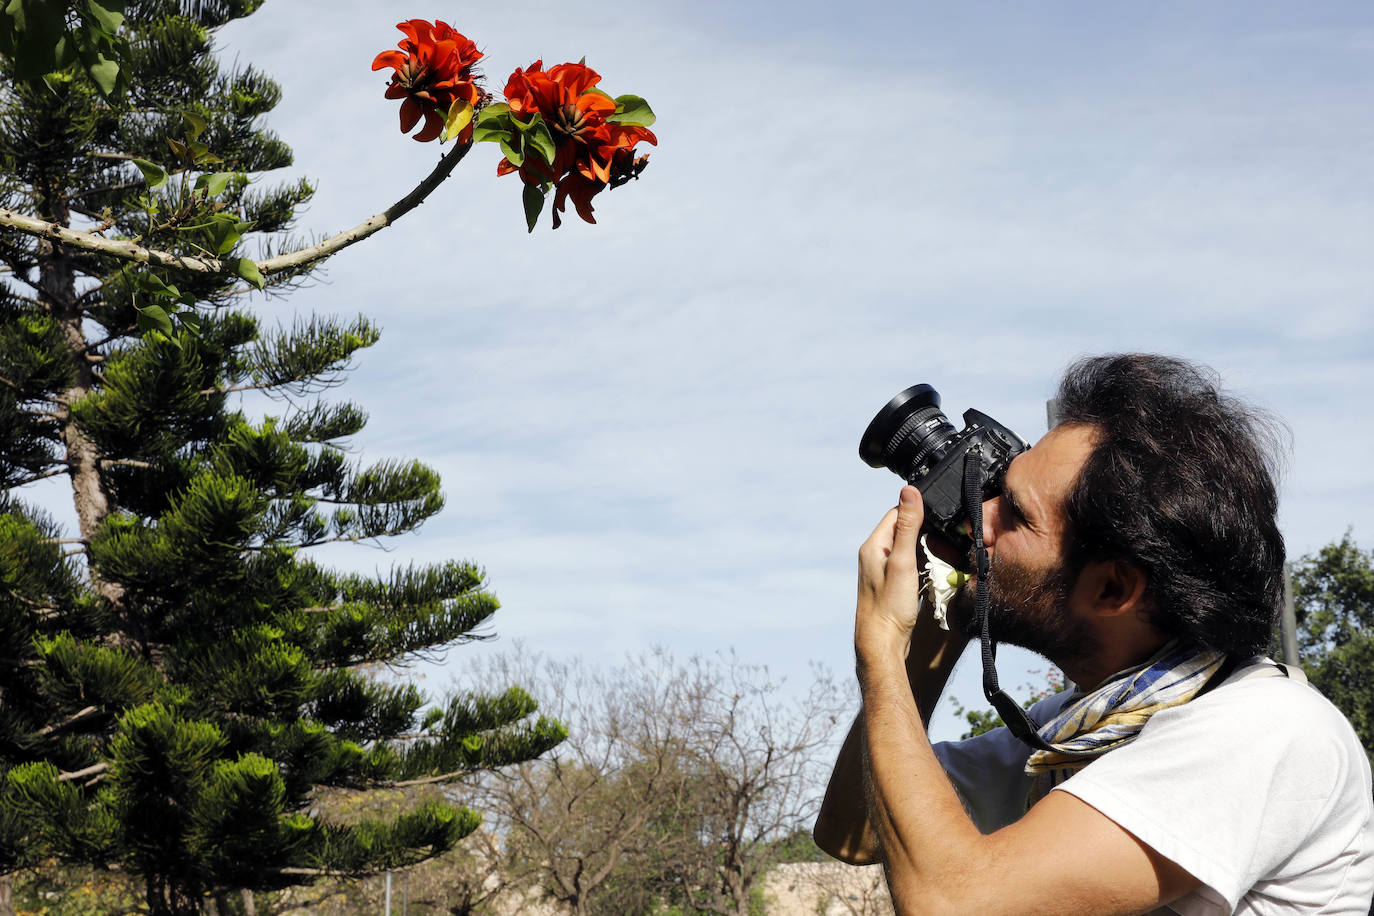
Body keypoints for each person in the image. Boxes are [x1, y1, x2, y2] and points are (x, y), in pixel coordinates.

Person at [814, 354, 1374, 915]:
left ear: (1113, 590)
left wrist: (883, 650)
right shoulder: (1075, 733)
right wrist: (951, 610)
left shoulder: (1266, 728)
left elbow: (951, 903)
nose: (979, 518)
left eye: (1013, 512)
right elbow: (856, 830)